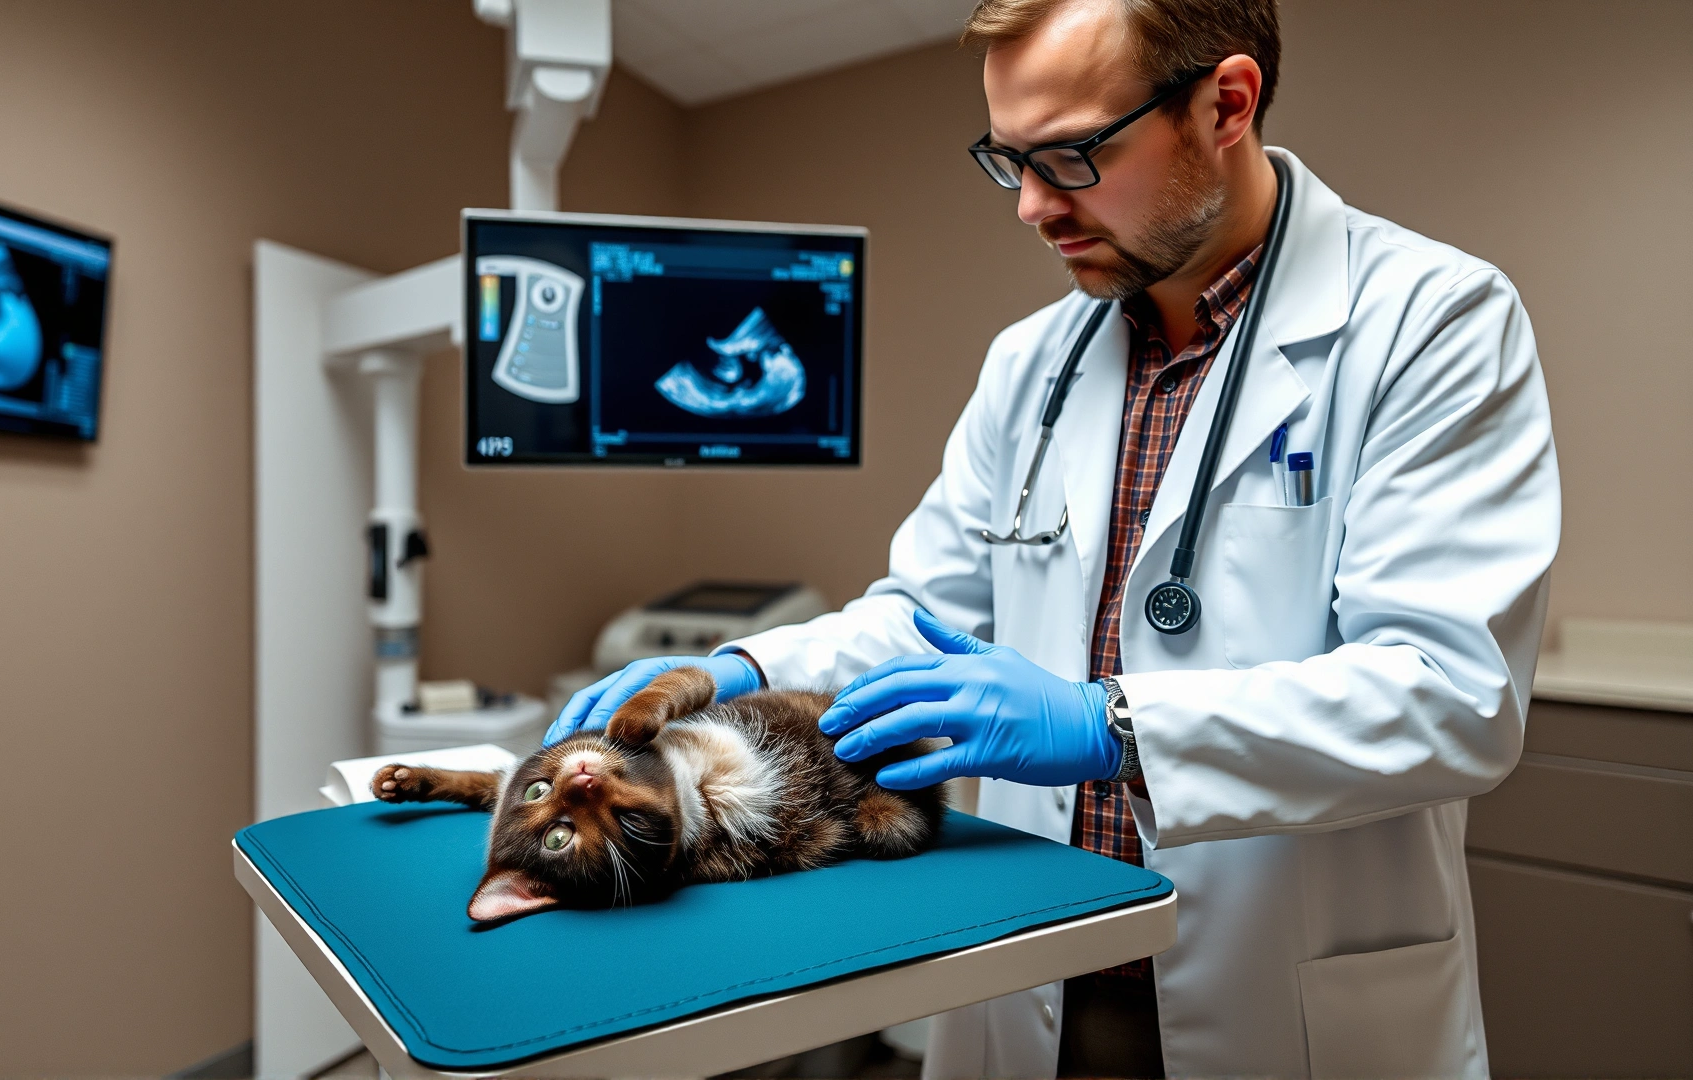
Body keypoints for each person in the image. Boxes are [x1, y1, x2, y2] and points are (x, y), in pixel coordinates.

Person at [548, 0, 1560, 1074]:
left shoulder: (1432, 321)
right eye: (1007, 159)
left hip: (1293, 1002)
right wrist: (736, 668)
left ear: (1226, 103)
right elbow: (920, 617)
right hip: (1023, 978)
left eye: (1071, 156)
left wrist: (1109, 726)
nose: (1031, 205)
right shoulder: (1030, 363)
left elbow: (1453, 692)